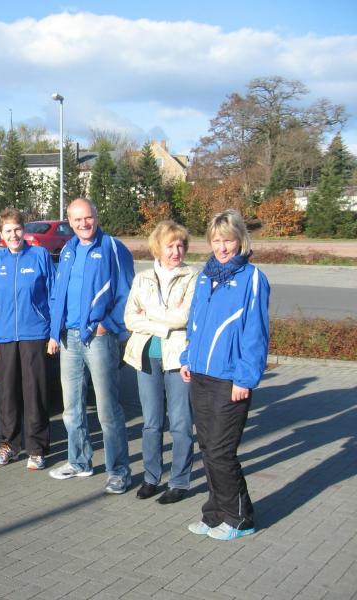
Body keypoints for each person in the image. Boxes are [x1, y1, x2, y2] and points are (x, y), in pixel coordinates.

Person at [181, 209, 270, 541]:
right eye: (216, 241)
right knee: (207, 447)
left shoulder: (252, 278)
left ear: (240, 240)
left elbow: (255, 334)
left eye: (228, 240)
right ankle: (215, 513)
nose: (222, 247)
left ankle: (240, 519)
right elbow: (195, 322)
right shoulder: (206, 275)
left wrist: (244, 379)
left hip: (230, 379)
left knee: (221, 451)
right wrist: (188, 357)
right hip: (200, 374)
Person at [47, 197, 134, 493]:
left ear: (96, 216)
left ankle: (119, 470)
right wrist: (54, 331)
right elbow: (58, 293)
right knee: (71, 409)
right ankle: (79, 461)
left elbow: (127, 292)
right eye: (77, 219)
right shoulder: (68, 250)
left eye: (88, 217)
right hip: (68, 338)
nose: (84, 223)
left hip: (98, 337)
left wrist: (107, 324)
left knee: (107, 410)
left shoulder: (112, 248)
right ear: (69, 222)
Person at [124, 220, 198, 504]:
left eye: (180, 245)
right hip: (146, 356)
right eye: (170, 246)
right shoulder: (142, 278)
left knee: (180, 423)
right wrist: (164, 323)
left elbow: (185, 317)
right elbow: (130, 319)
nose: (176, 251)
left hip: (178, 358)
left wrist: (150, 316)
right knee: (152, 423)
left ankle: (179, 481)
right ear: (158, 248)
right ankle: (151, 477)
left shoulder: (193, 276)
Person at [0, 208, 55, 471]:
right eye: (8, 231)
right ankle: (9, 446)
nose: (13, 235)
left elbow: (53, 295)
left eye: (17, 229)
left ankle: (37, 449)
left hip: (36, 335)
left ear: (24, 230)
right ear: (1, 234)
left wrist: (54, 333)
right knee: (8, 395)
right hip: (4, 337)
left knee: (35, 394)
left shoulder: (40, 256)